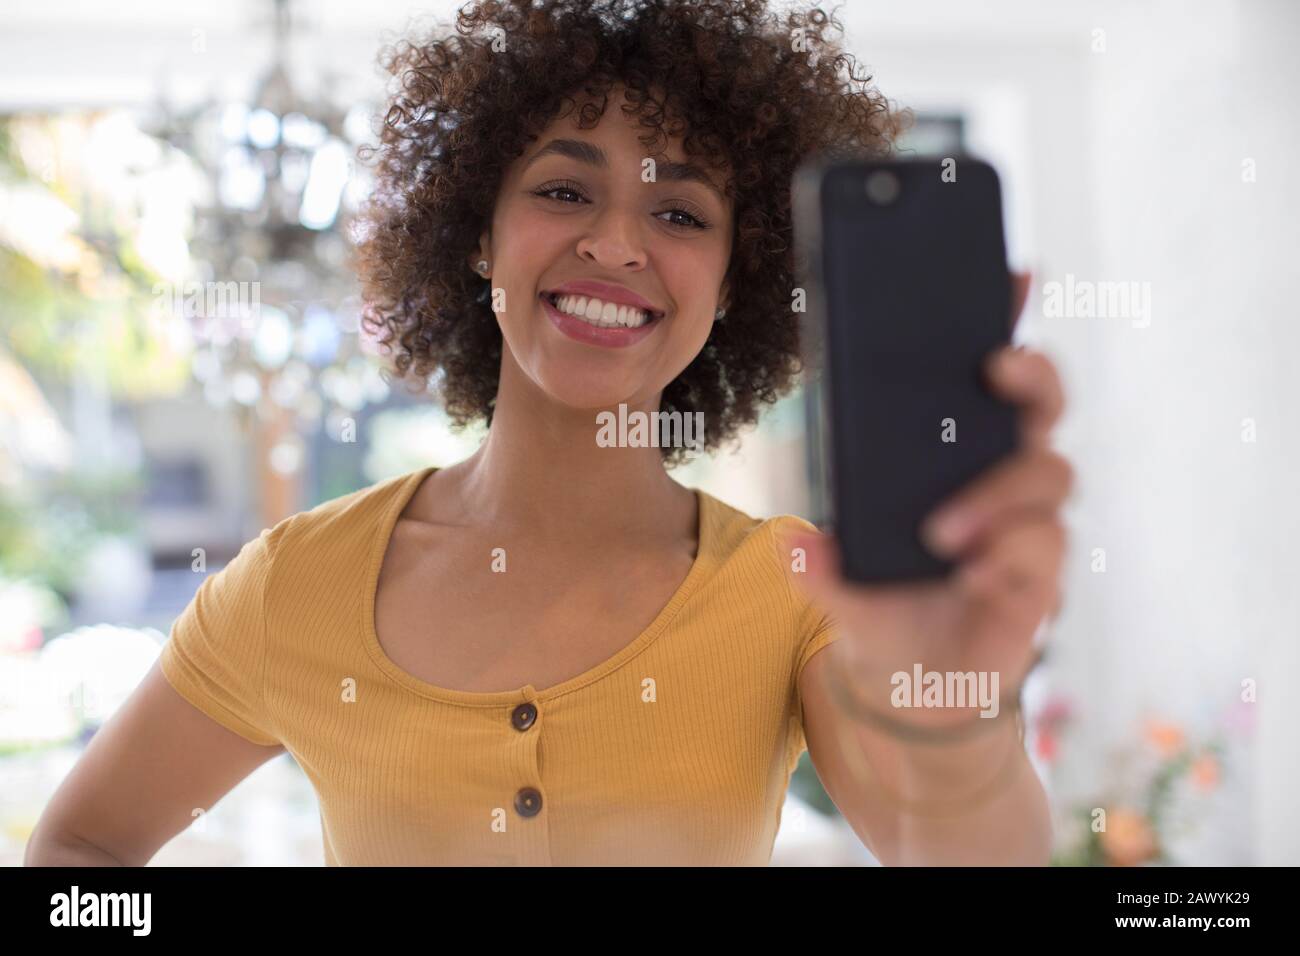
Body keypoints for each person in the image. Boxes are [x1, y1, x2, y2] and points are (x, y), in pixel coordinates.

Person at [25, 0, 1070, 867]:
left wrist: (953, 713)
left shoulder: (792, 589)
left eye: (680, 215)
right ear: (478, 238)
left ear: (730, 281)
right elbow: (80, 850)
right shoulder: (293, 582)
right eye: (564, 190)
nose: (614, 242)